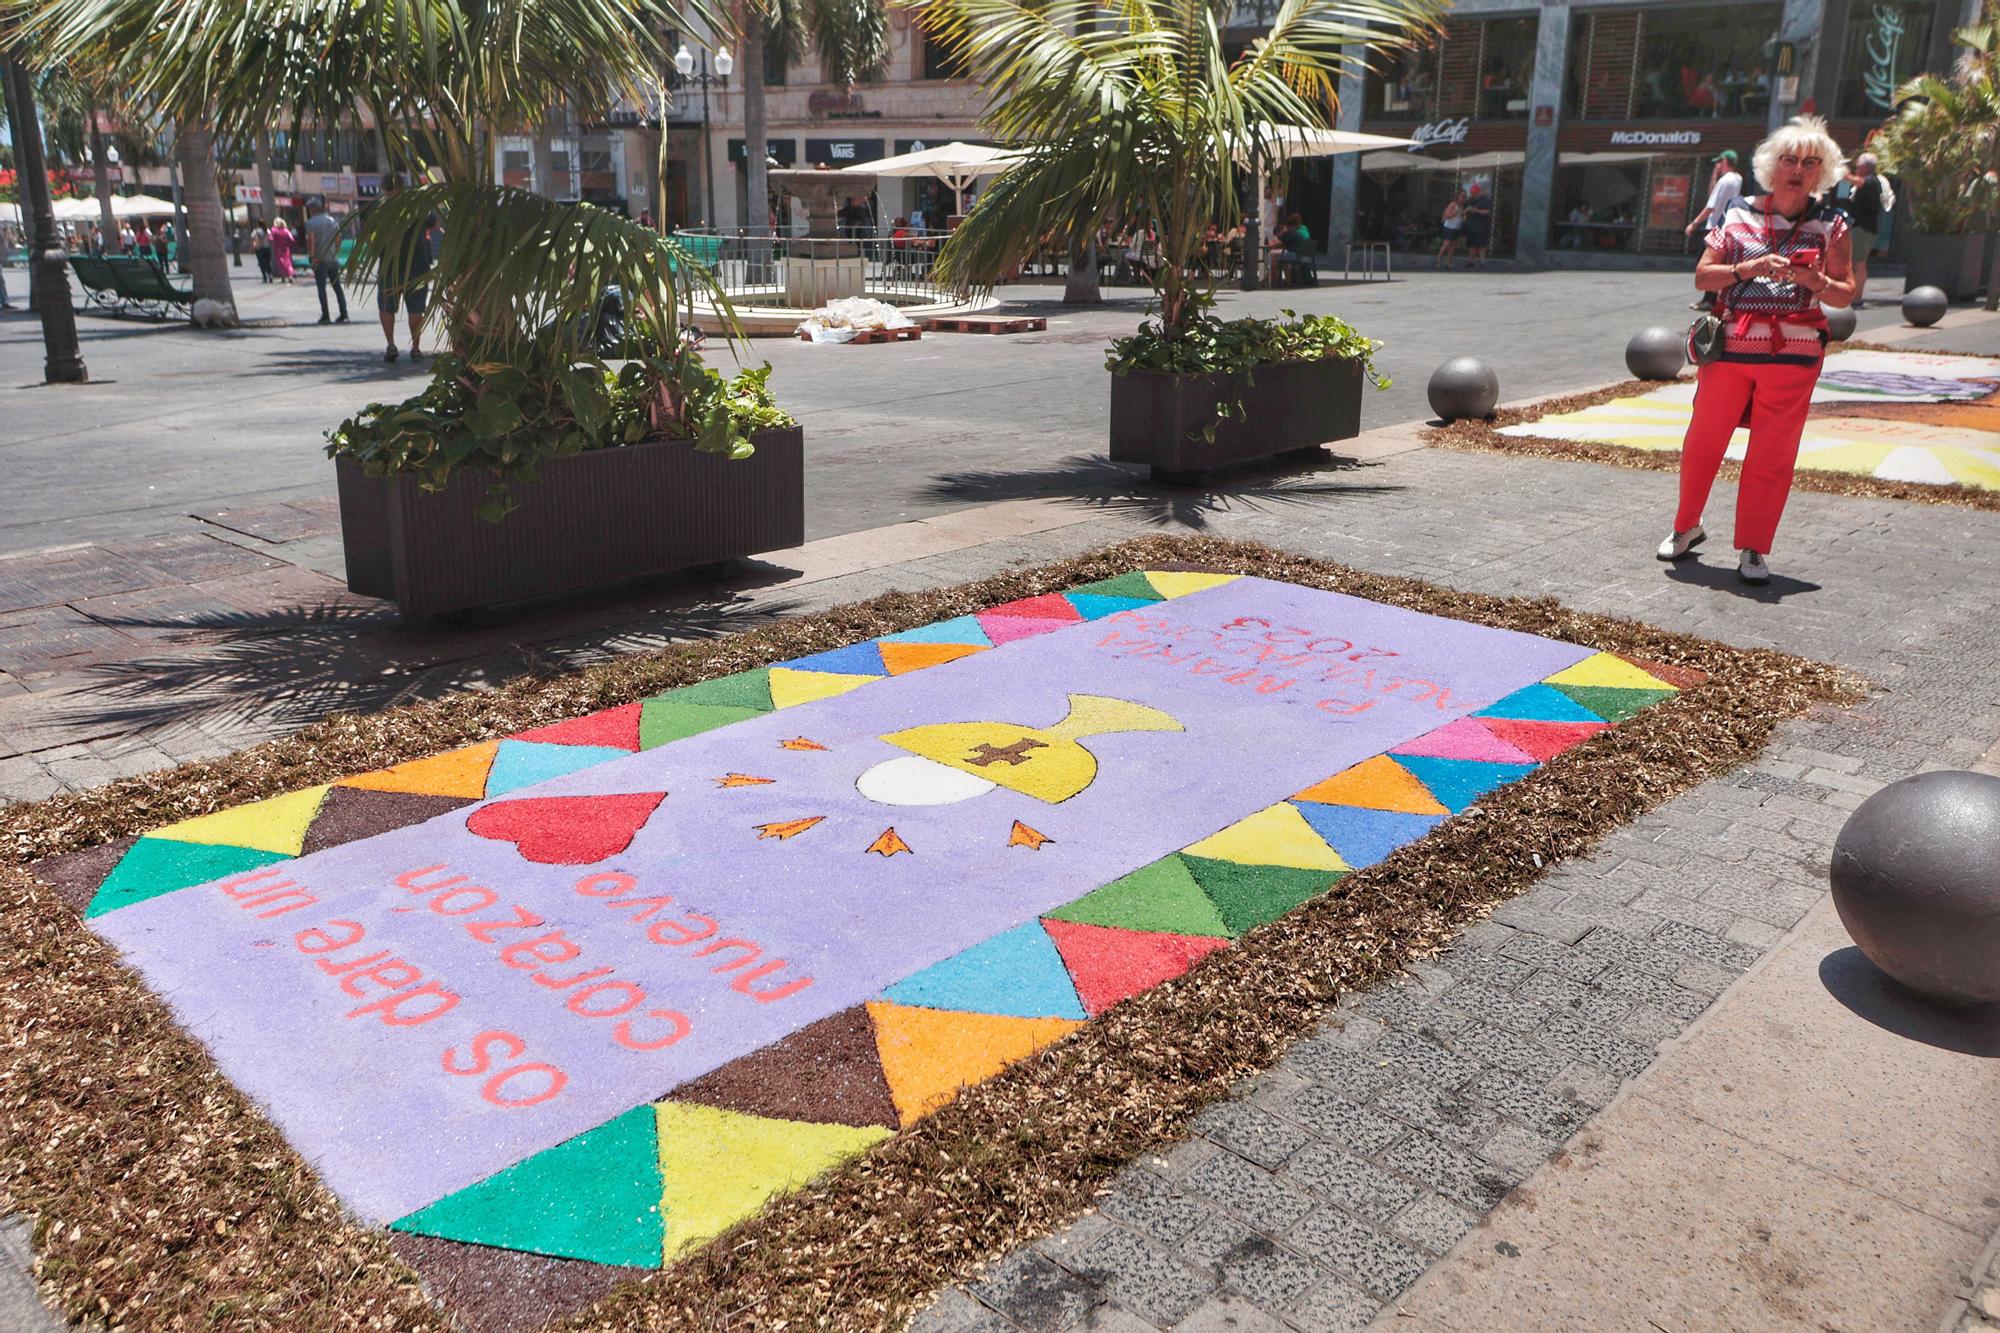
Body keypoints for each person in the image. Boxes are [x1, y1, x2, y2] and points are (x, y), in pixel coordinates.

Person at [1658, 114, 1853, 586]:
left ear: (1822, 171)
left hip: (1794, 357)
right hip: (1730, 351)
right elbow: (1704, 277)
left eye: (1811, 162)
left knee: (1773, 454)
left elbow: (1845, 293)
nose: (1798, 169)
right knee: (1703, 440)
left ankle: (1753, 547)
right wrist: (1749, 267)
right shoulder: (1739, 212)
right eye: (1789, 159)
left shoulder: (1834, 224)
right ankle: (1686, 527)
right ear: (1772, 164)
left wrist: (1816, 280)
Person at [1684, 150, 1744, 310]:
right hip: (1726, 226)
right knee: (1719, 264)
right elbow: (1713, 195)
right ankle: (1713, 299)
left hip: (1714, 227)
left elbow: (1711, 206)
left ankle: (1708, 300)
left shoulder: (1725, 181)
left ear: (1724, 161)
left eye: (1719, 162)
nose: (1717, 164)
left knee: (1706, 265)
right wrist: (1714, 175)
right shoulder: (1737, 179)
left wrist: (1694, 223)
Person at [1835, 152, 1894, 309]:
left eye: (1858, 165)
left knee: (1859, 264)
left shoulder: (1871, 181)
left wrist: (1843, 172)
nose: (1856, 168)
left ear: (1865, 167)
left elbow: (1859, 182)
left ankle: (1857, 297)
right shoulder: (1866, 182)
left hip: (1863, 229)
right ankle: (1852, 295)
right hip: (1858, 228)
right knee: (1853, 263)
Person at [378, 212, 435, 364]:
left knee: (386, 307)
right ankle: (416, 349)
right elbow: (435, 223)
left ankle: (391, 345)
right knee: (416, 310)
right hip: (417, 266)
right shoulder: (418, 207)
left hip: (390, 266)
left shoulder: (382, 208)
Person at [304, 199, 349, 323]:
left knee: (321, 288)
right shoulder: (332, 221)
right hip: (332, 258)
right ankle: (344, 313)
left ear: (312, 209)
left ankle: (326, 315)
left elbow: (311, 241)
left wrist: (313, 257)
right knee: (337, 287)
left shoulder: (311, 223)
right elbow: (339, 238)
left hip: (320, 259)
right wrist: (336, 252)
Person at [1461, 184, 1492, 267]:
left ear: (1479, 192)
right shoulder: (1470, 200)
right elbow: (1463, 211)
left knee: (1481, 245)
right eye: (1472, 193)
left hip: (1481, 226)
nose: (1473, 195)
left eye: (1475, 193)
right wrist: (1466, 210)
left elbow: (1487, 212)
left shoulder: (1485, 200)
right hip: (1471, 226)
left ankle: (1482, 262)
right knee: (1471, 244)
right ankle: (1470, 261)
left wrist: (1476, 210)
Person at [1437, 190, 1466, 267]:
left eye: (1465, 197)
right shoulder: (1453, 204)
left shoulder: (1462, 206)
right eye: (1462, 196)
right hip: (1449, 227)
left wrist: (1463, 216)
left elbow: (1462, 218)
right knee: (1446, 244)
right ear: (1458, 196)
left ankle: (1449, 262)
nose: (1463, 198)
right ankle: (1438, 260)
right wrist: (1456, 212)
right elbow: (1448, 216)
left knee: (1453, 246)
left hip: (1457, 228)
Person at [269, 217, 297, 282]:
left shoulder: (274, 230)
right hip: (286, 248)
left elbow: (270, 238)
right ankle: (290, 276)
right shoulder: (286, 231)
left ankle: (283, 277)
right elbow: (292, 240)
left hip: (277, 248)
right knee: (288, 262)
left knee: (280, 262)